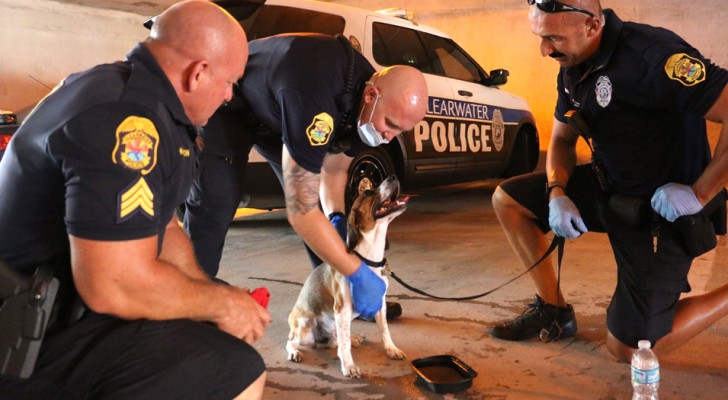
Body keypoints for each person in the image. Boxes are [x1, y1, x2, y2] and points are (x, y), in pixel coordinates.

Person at [0, 1, 270, 398]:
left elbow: (162, 221)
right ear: (198, 73)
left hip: (54, 305)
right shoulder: (125, 121)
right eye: (230, 82)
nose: (230, 96)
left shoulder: (138, 98)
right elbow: (115, 284)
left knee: (210, 336)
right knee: (234, 369)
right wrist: (222, 306)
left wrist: (209, 292)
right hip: (21, 331)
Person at [490, 0, 728, 362]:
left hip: (664, 212)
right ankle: (554, 312)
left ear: (593, 25)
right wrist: (557, 192)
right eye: (539, 37)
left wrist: (700, 193)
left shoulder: (654, 56)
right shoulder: (572, 65)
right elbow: (561, 140)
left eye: (553, 37)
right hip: (610, 187)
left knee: (630, 349)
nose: (544, 50)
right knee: (509, 200)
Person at [183, 33, 428, 320]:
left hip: (279, 113)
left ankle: (341, 296)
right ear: (372, 95)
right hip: (233, 104)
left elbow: (335, 167)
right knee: (218, 198)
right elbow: (301, 211)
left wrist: (336, 215)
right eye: (391, 125)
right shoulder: (316, 95)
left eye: (400, 131)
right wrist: (357, 271)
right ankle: (188, 306)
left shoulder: (369, 108)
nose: (389, 137)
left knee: (324, 217)